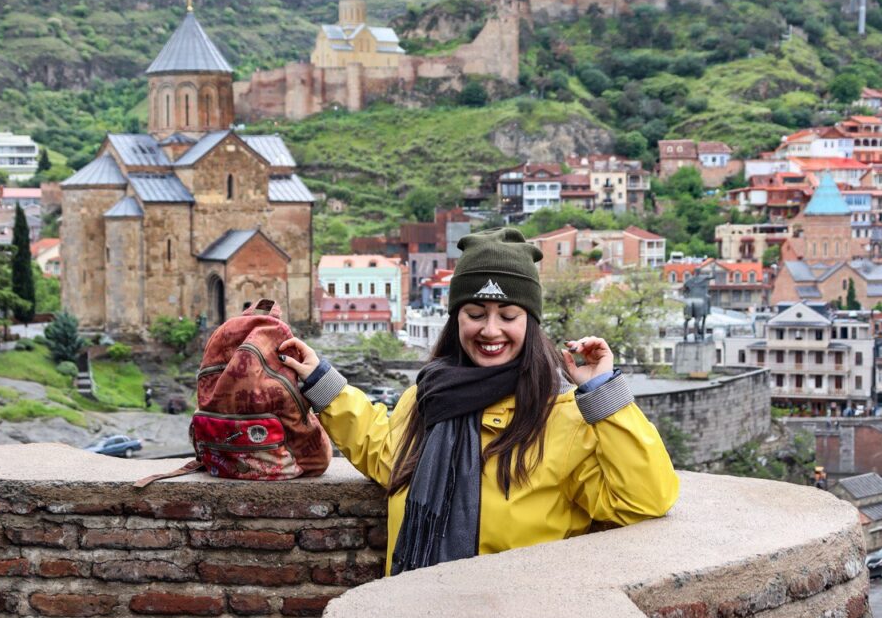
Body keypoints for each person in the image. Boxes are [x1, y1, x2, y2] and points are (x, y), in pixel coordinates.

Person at [279, 228, 679, 576]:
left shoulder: (564, 418)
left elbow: (644, 500)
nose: (490, 330)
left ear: (530, 323)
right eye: (475, 312)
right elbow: (382, 450)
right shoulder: (428, 398)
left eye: (508, 315)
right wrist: (321, 381)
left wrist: (604, 394)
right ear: (457, 319)